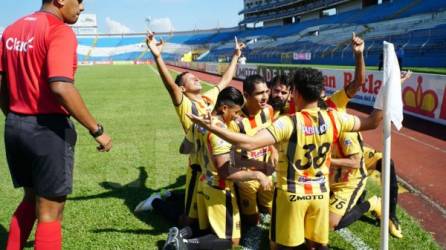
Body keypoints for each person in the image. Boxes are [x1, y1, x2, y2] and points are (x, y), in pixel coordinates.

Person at [188, 67, 384, 249]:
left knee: (280, 246)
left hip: (291, 196)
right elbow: (374, 121)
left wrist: (212, 127)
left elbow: (249, 143)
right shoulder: (335, 118)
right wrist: (386, 93)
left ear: (295, 92)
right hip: (321, 195)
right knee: (316, 245)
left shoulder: (288, 122)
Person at [0, 1, 112, 249]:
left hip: (15, 125)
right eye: (79, 0)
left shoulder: (11, 29)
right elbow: (60, 86)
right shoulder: (59, 30)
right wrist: (97, 130)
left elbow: (2, 84)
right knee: (50, 212)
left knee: (30, 198)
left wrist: (16, 117)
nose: (81, 7)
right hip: (47, 129)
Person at [135, 32, 244, 231]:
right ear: (183, 89)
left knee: (206, 218)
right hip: (197, 169)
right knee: (189, 223)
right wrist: (158, 56)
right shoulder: (184, 104)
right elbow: (170, 86)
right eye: (191, 79)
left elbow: (225, 81)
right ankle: (156, 203)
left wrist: (236, 55)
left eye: (195, 77)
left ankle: (174, 195)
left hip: (212, 165)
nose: (196, 80)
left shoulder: (208, 98)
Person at [164, 87, 274, 250]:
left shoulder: (201, 121)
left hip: (204, 183)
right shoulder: (219, 131)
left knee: (204, 228)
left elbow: (184, 148)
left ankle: (181, 234)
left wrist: (204, 151)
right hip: (219, 189)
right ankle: (184, 244)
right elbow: (225, 171)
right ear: (224, 108)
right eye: (236, 112)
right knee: (231, 240)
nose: (238, 118)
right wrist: (257, 174)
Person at [229, 74, 274, 228]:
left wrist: (273, 151)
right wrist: (258, 169)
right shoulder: (236, 122)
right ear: (246, 95)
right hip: (247, 178)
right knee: (251, 222)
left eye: (266, 91)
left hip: (267, 173)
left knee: (270, 211)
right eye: (259, 93)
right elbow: (233, 160)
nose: (265, 97)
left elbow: (271, 136)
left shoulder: (268, 111)